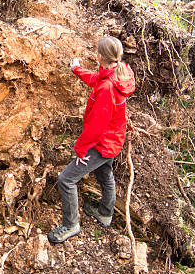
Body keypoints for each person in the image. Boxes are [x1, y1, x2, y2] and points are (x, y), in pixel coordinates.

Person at [48, 36, 135, 244]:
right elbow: (96, 79)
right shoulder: (119, 73)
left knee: (66, 179)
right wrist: (77, 69)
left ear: (99, 56)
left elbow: (96, 127)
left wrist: (81, 149)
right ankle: (105, 213)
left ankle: (70, 225)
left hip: (102, 143)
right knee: (105, 174)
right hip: (114, 140)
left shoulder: (107, 89)